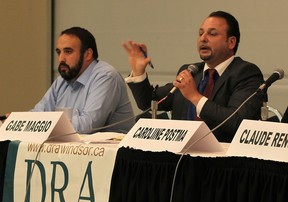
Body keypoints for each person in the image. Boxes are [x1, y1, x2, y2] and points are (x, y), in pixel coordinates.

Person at [122, 11, 266, 142]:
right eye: (200, 33)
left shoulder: (246, 73)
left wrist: (195, 97)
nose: (203, 39)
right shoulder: (192, 71)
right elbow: (149, 103)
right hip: (179, 156)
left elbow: (236, 122)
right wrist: (138, 72)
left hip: (221, 162)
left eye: (212, 34)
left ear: (231, 42)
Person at [31, 27, 134, 133]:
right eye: (58, 52)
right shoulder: (62, 81)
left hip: (112, 148)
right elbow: (38, 114)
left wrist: (45, 125)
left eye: (68, 51)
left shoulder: (106, 76)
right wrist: (15, 120)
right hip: (72, 148)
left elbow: (87, 126)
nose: (61, 58)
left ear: (88, 54)